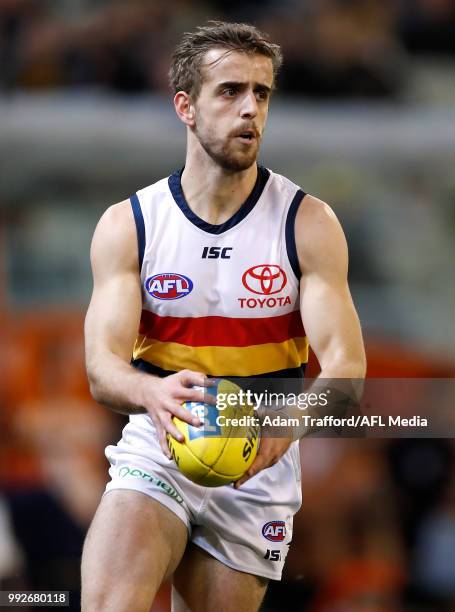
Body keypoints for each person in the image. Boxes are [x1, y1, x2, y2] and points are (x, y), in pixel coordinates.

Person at [81, 21, 366, 612]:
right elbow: (101, 369)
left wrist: (286, 425)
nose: (250, 110)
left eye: (261, 94)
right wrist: (149, 394)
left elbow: (346, 368)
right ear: (185, 106)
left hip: (258, 463)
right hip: (161, 443)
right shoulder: (130, 225)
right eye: (230, 91)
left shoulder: (307, 224)